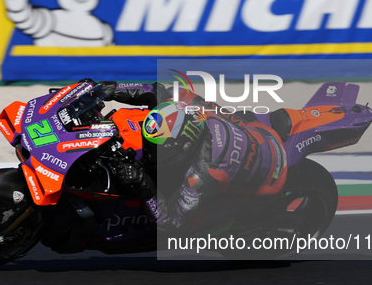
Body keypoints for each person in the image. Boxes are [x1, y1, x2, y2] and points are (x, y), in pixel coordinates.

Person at [97, 81, 288, 234]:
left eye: (157, 149)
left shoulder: (203, 172)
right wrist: (110, 90)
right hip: (257, 132)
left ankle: (231, 226)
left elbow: (173, 223)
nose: (150, 152)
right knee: (178, 92)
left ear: (185, 148)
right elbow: (155, 90)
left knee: (193, 225)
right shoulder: (184, 106)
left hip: (269, 179)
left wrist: (143, 184)